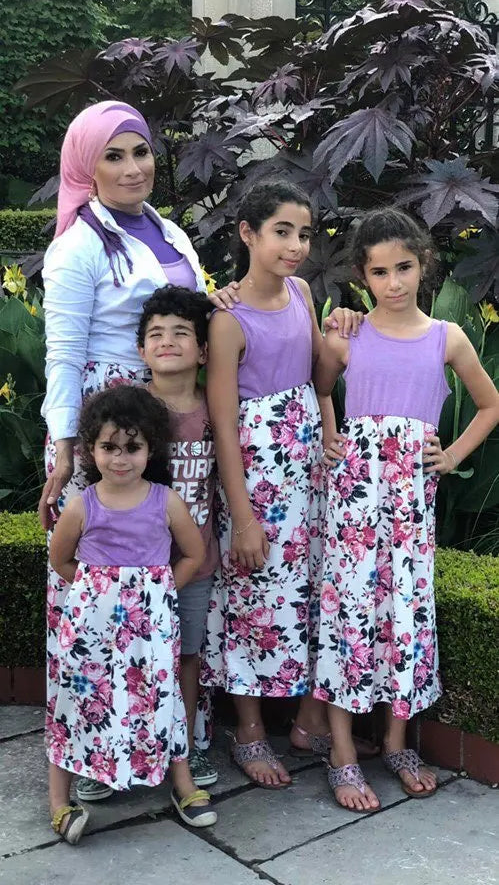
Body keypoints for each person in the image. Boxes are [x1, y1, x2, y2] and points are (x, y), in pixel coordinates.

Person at [38, 100, 239, 802]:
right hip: (107, 434)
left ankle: (172, 737)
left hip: (170, 424)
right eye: (114, 155)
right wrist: (65, 452)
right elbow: (61, 356)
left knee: (167, 580)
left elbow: (198, 312)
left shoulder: (169, 232)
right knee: (96, 599)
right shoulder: (77, 246)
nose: (132, 168)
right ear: (85, 166)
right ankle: (94, 747)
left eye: (141, 152)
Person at [314, 207, 499, 813]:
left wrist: (451, 457)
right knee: (350, 614)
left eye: (404, 268)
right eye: (379, 272)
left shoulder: (447, 337)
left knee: (405, 614)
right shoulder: (349, 333)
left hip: (410, 507)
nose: (393, 283)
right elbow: (316, 386)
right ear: (362, 277)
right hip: (353, 504)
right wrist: (330, 429)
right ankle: (341, 750)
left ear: (424, 264)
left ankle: (395, 741)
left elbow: (489, 405)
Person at [201, 180, 363, 788]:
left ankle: (305, 722)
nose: (296, 246)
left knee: (312, 589)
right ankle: (247, 730)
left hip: (308, 470)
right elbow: (221, 423)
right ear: (247, 233)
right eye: (281, 232)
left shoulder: (300, 292)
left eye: (304, 233)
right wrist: (241, 516)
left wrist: (338, 341)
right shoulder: (227, 320)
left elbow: (318, 377)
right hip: (258, 473)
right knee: (252, 596)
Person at [47, 385, 217, 844]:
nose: (120, 459)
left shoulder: (166, 501)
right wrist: (96, 591)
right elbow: (61, 559)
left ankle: (181, 782)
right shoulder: (84, 504)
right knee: (80, 702)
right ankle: (59, 799)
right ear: (90, 449)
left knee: (160, 699)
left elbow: (193, 553)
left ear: (149, 449)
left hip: (150, 630)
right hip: (91, 629)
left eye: (132, 447)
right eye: (108, 447)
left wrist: (157, 591)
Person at [137, 284, 219, 788]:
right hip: (136, 570)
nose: (167, 341)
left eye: (182, 332)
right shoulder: (126, 408)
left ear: (204, 350)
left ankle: (183, 746)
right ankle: (124, 746)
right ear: (141, 349)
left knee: (188, 656)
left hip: (197, 565)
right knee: (135, 660)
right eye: (155, 334)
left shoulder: (216, 408)